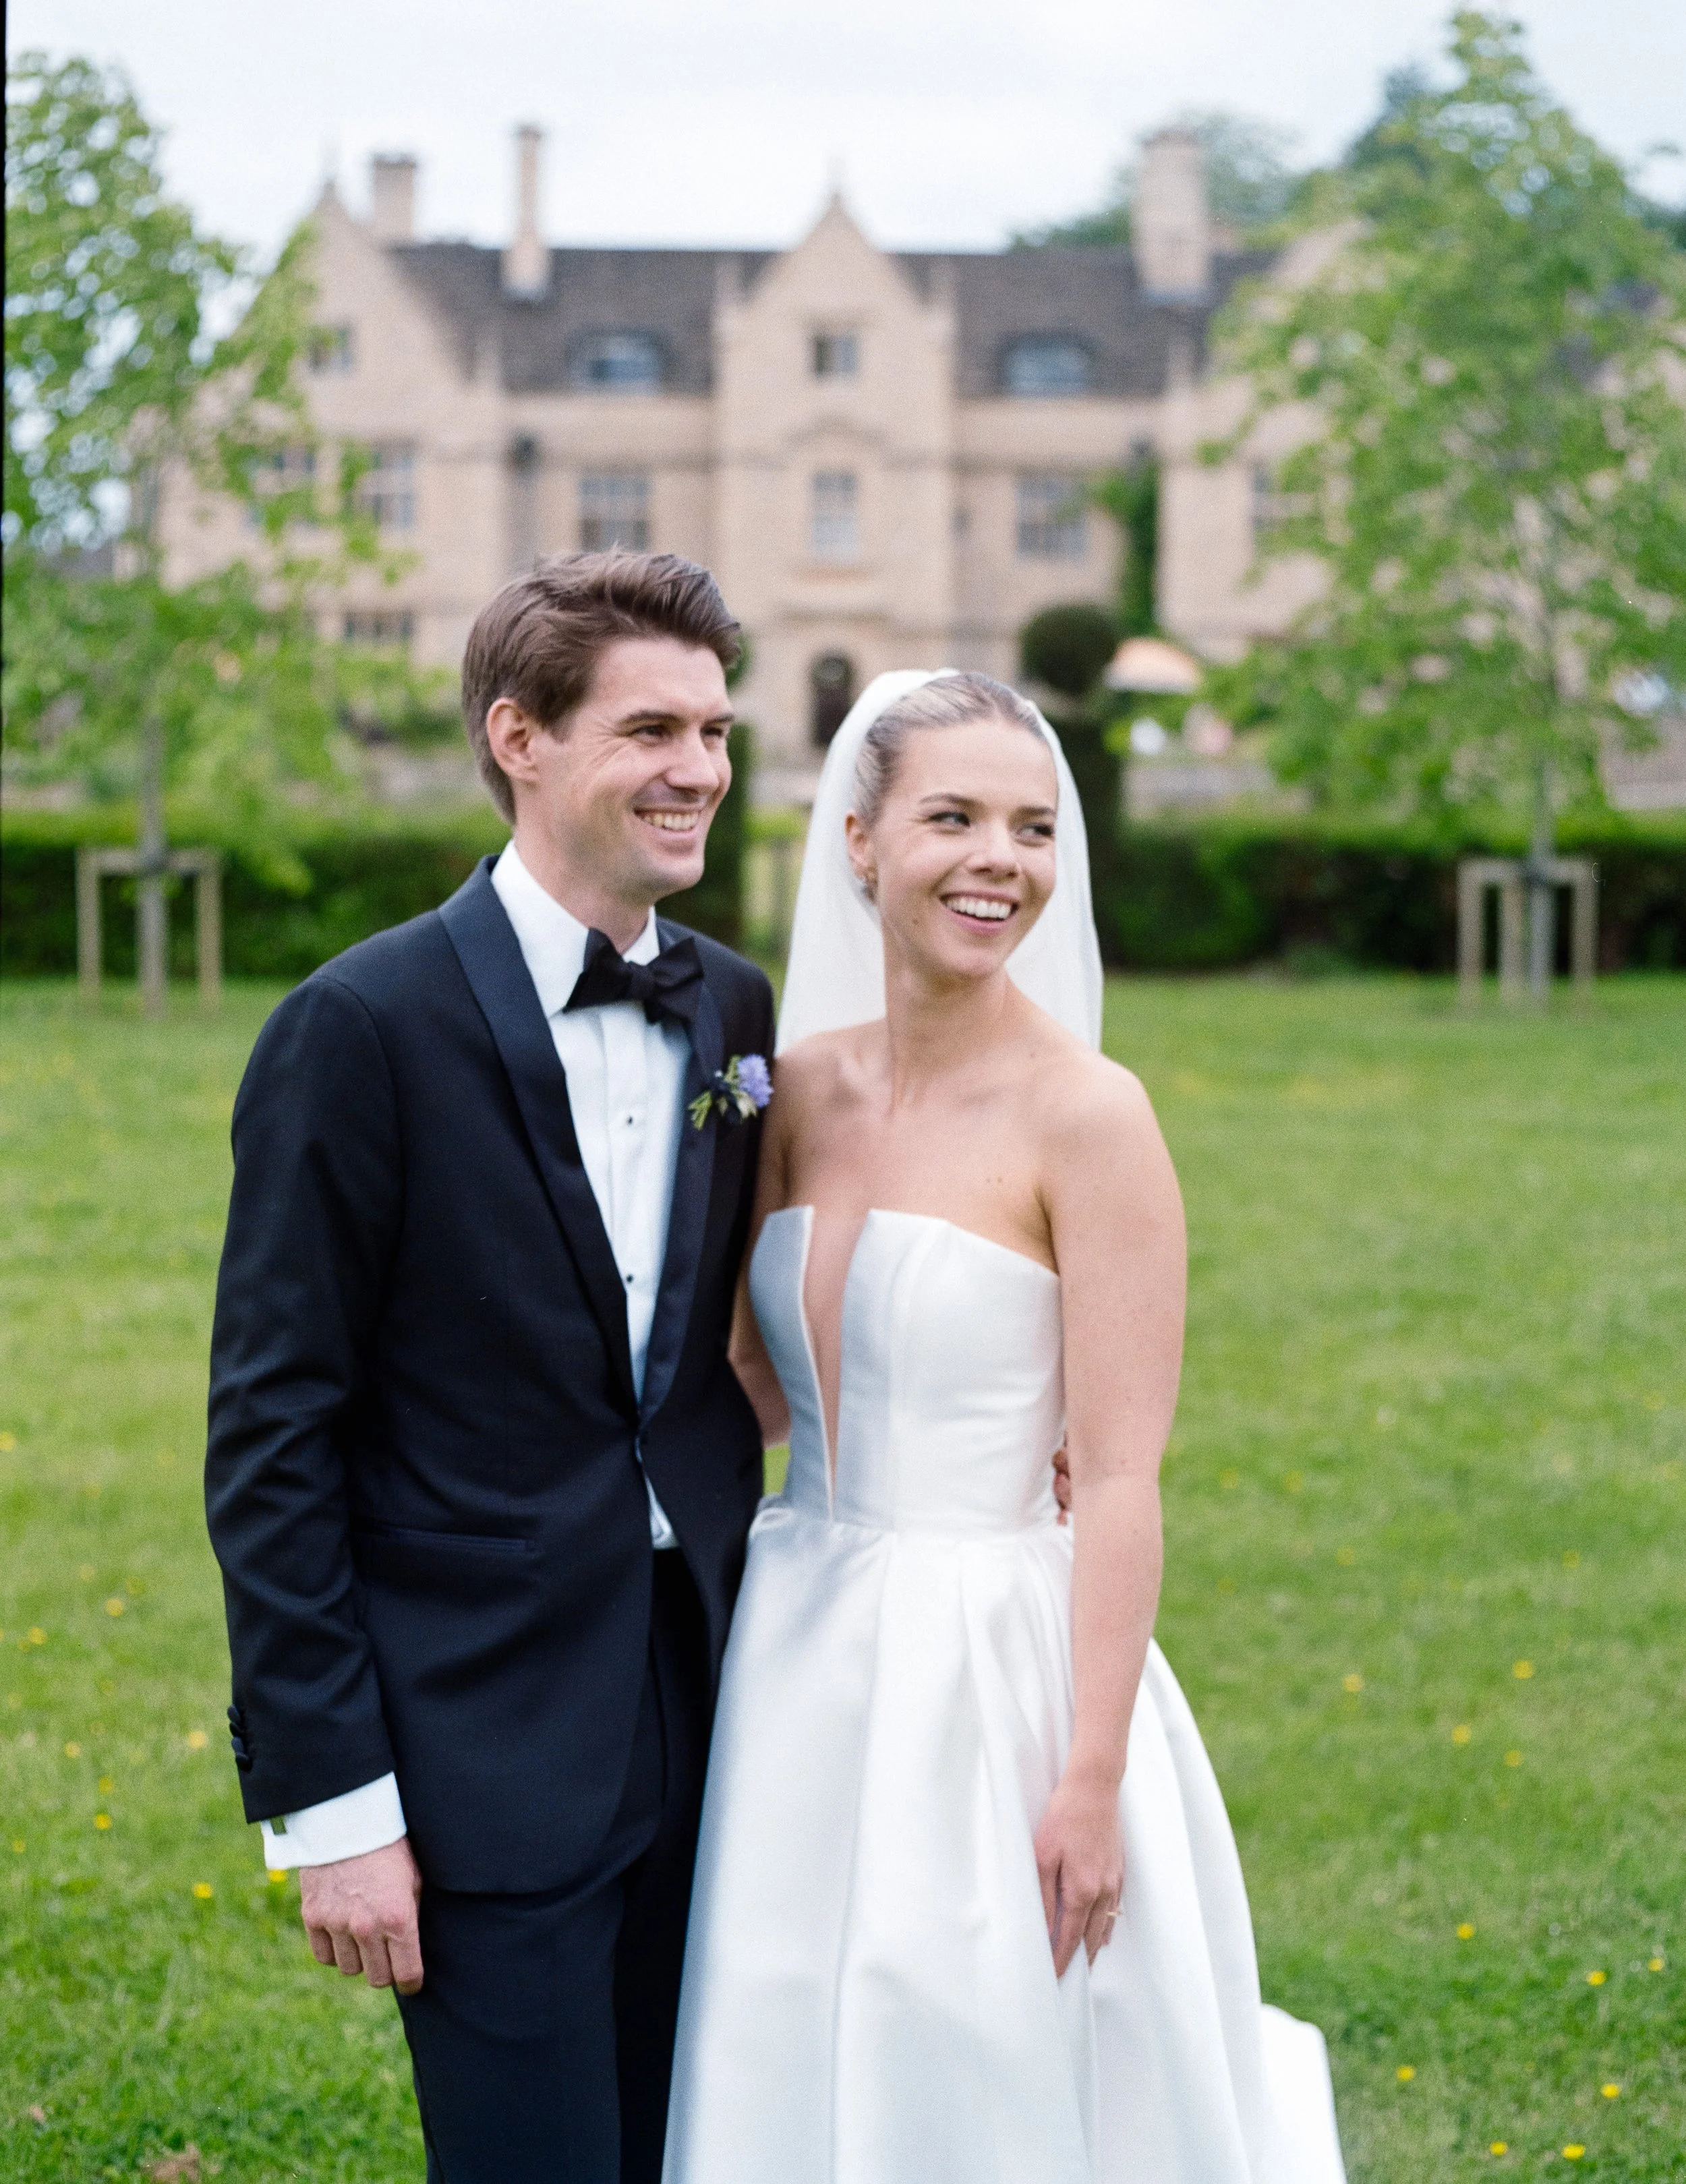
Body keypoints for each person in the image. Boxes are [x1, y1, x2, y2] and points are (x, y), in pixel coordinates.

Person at [663, 670, 1347, 2183]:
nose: (1001, 859)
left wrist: (1088, 1773)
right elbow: (747, 1384)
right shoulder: (789, 1088)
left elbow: (1113, 1474)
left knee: (964, 2031)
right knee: (784, 2005)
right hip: (798, 1631)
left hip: (999, 1657)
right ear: (858, 840)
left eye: (1033, 827)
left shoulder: (1086, 1116)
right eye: (953, 817)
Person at [204, 552, 777, 2184]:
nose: (700, 770)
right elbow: (274, 1440)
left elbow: (727, 1340)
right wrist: (337, 1810)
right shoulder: (357, 1025)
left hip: (719, 1714)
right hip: (479, 1743)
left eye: (717, 729)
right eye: (651, 726)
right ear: (518, 737)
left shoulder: (730, 1009)